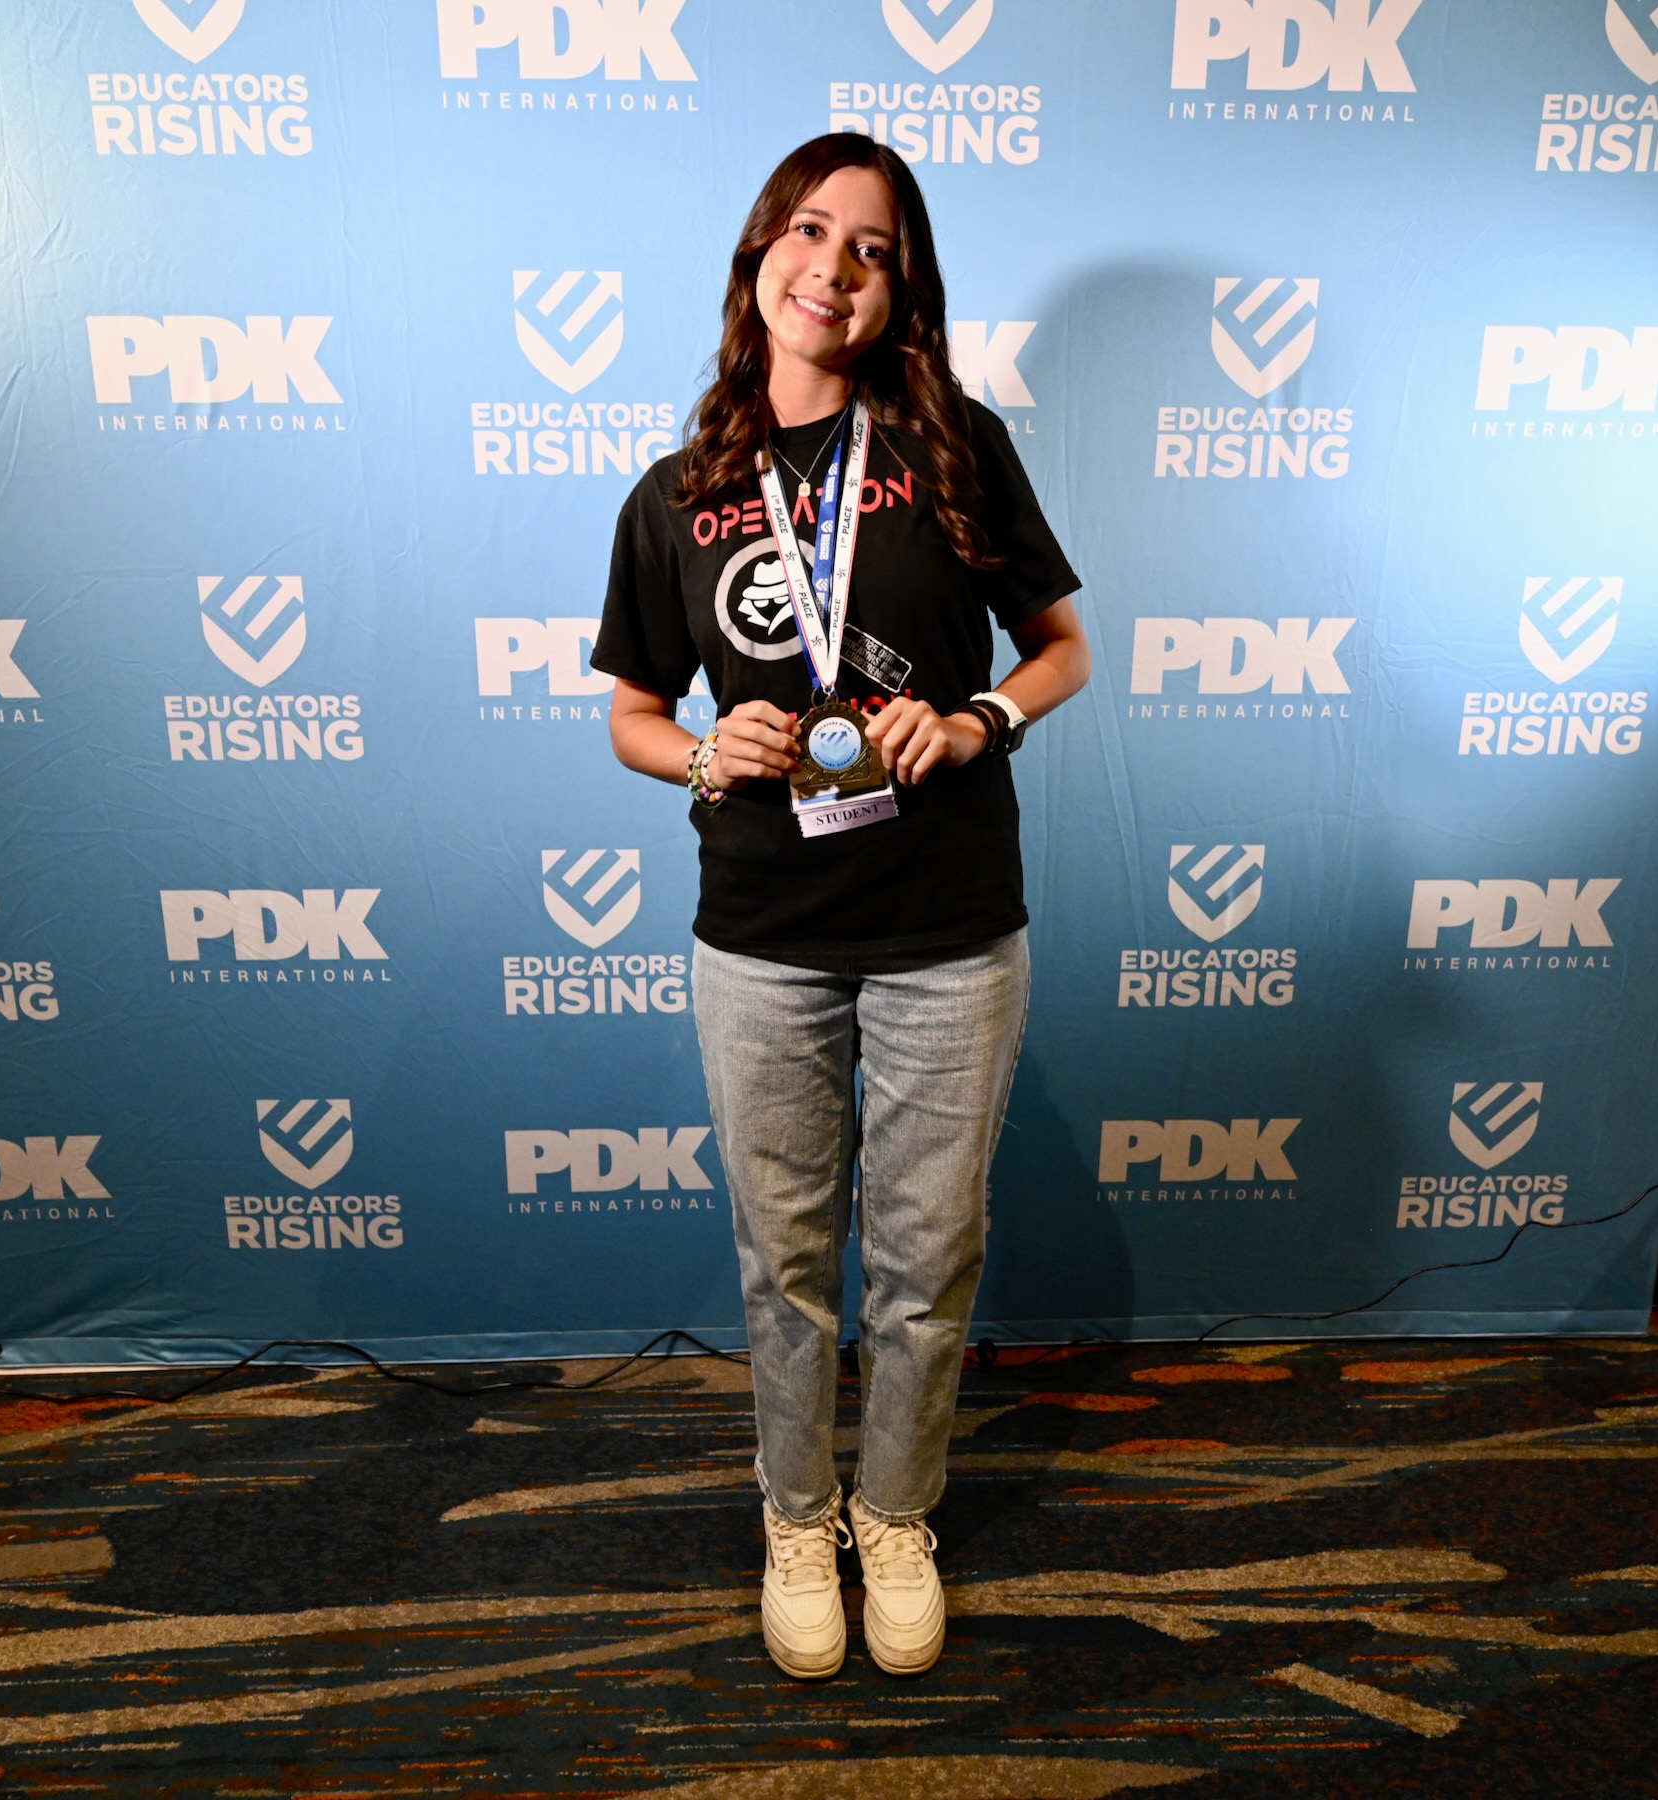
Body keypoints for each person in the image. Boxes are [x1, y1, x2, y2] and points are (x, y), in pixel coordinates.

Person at [593, 132, 1089, 1680]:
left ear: (900, 291)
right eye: (811, 232)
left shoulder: (955, 448)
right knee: (788, 1266)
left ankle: (896, 1511)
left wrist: (981, 719)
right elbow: (631, 715)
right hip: (764, 938)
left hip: (951, 927)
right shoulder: (680, 494)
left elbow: (1063, 650)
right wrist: (703, 751)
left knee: (928, 1263)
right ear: (761, 255)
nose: (834, 268)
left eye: (872, 249)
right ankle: (798, 1515)